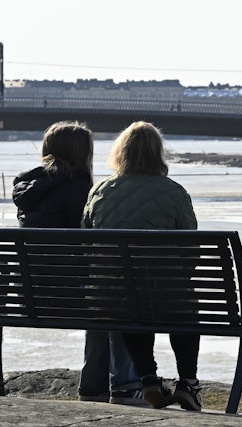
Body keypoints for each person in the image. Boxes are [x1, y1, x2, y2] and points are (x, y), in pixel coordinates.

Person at [12, 120, 144, 405]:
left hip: (32, 296)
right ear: (83, 153)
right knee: (116, 293)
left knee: (101, 294)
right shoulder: (80, 190)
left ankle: (94, 386)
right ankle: (124, 384)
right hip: (70, 297)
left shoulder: (28, 190)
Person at [82, 121, 202, 410]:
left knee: (130, 298)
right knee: (180, 303)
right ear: (157, 154)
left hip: (112, 298)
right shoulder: (174, 192)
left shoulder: (100, 192)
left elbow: (87, 247)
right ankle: (188, 382)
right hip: (163, 295)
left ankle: (148, 377)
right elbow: (191, 250)